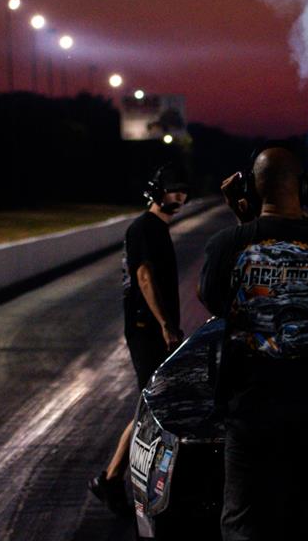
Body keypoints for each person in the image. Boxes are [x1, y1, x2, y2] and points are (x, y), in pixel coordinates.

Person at [198, 145, 308, 540]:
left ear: (252, 188)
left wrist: (244, 223)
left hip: (252, 420)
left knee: (248, 530)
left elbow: (219, 303)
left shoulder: (226, 245)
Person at [89, 163, 188, 515]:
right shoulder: (145, 228)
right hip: (146, 329)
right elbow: (144, 276)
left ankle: (112, 479)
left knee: (150, 407)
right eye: (172, 189)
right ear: (156, 192)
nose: (179, 195)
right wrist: (164, 323)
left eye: (182, 189)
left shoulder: (157, 229)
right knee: (152, 409)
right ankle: (114, 478)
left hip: (154, 329)